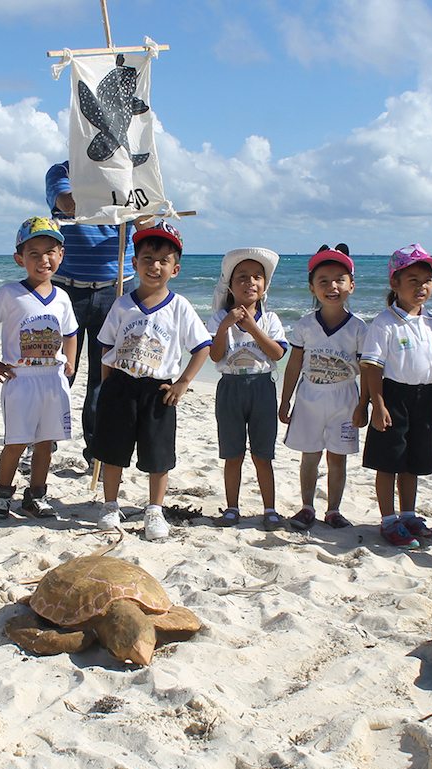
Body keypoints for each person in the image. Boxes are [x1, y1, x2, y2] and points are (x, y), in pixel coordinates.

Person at [91, 221, 211, 540]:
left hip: (158, 390)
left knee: (158, 455)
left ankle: (155, 510)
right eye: (147, 258)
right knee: (112, 450)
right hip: (121, 385)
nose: (154, 266)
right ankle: (110, 504)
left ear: (176, 269)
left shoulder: (179, 307)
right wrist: (107, 387)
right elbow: (107, 346)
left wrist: (183, 383)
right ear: (134, 263)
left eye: (163, 260)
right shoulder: (122, 304)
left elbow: (201, 347)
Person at [0, 217, 78, 521]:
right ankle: (1, 495)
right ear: (19, 258)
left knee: (46, 442)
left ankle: (35, 496)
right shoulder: (11, 293)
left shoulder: (61, 297)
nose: (43, 260)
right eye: (33, 253)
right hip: (21, 380)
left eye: (50, 252)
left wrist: (70, 362)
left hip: (52, 379)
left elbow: (71, 331)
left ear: (61, 255)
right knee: (16, 441)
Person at [46, 161, 139, 464]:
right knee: (58, 370)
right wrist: (112, 193)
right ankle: (45, 440)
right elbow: (69, 205)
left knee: (103, 377)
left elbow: (146, 222)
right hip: (67, 288)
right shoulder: (61, 172)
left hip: (115, 289)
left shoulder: (130, 173)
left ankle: (95, 450)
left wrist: (133, 198)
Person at [359, 244, 432, 549]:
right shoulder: (385, 323)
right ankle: (388, 520)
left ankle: (408, 514)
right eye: (413, 280)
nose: (421, 287)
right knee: (389, 463)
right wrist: (378, 404)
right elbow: (371, 366)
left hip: (425, 398)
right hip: (394, 397)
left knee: (414, 462)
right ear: (395, 283)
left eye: (427, 280)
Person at [278, 244, 367, 531]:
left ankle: (333, 510)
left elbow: (367, 369)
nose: (332, 286)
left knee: (337, 458)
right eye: (323, 281)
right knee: (310, 456)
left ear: (351, 285)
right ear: (312, 287)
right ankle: (306, 507)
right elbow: (294, 364)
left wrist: (365, 404)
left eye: (339, 279)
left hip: (344, 398)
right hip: (309, 397)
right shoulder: (305, 325)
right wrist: (285, 399)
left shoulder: (359, 328)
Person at [207, 246, 287, 531]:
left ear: (264, 285)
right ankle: (232, 508)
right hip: (230, 387)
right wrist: (225, 327)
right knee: (233, 453)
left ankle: (270, 509)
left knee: (262, 453)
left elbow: (277, 353)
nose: (250, 282)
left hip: (262, 386)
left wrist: (253, 328)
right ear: (230, 284)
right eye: (242, 276)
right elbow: (215, 356)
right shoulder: (219, 318)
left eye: (256, 277)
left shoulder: (270, 319)